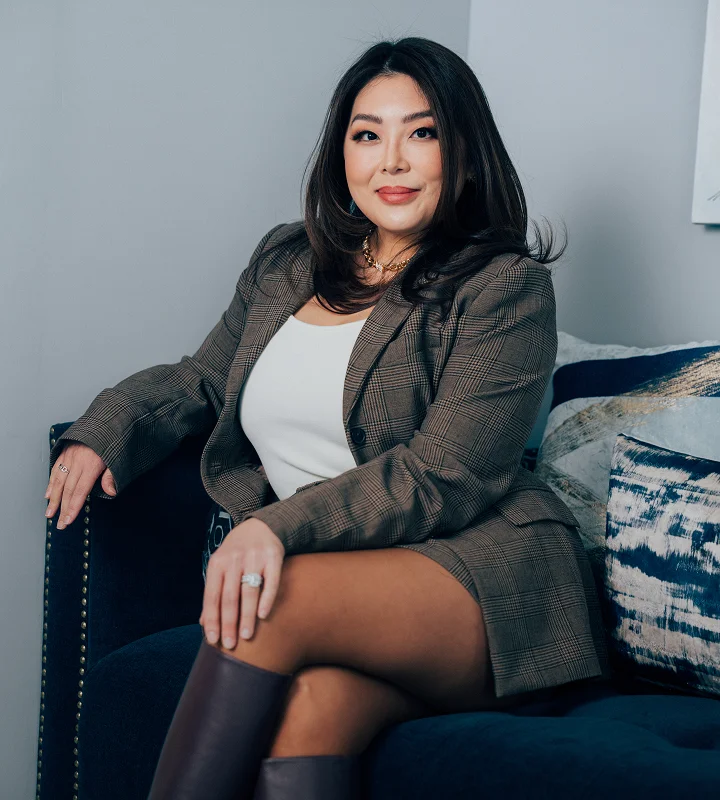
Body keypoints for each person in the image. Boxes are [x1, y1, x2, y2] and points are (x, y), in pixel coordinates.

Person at [45, 36, 611, 800]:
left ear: (463, 149)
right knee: (315, 713)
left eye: (422, 132)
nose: (393, 161)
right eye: (367, 135)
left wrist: (274, 527)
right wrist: (106, 428)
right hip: (352, 588)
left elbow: (445, 474)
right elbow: (204, 380)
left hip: (479, 573)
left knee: (266, 603)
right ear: (341, 154)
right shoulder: (287, 263)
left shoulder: (502, 287)